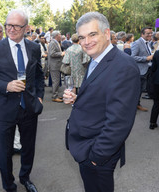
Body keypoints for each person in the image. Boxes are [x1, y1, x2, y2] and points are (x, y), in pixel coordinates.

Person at [63, 12, 140, 192]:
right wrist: (78, 99)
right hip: (87, 145)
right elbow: (102, 97)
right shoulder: (96, 58)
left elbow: (119, 122)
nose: (86, 41)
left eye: (92, 34)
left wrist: (96, 156)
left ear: (106, 34)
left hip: (97, 152)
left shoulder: (124, 66)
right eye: (82, 37)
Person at [0, 9, 44, 192]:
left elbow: (39, 74)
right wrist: (6, 86)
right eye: (8, 25)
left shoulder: (34, 48)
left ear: (26, 28)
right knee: (5, 152)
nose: (11, 29)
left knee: (28, 148)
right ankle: (9, 185)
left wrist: (40, 97)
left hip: (29, 108)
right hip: (5, 109)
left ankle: (25, 178)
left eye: (16, 26)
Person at [131, 27, 153, 109]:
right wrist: (146, 58)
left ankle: (137, 104)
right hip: (140, 70)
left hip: (147, 69)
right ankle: (134, 105)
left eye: (151, 33)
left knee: (141, 89)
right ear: (142, 34)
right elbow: (132, 57)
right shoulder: (137, 43)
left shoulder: (148, 43)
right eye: (148, 33)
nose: (150, 35)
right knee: (137, 89)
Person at [48, 30, 65, 102]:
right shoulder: (53, 43)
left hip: (56, 65)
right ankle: (54, 96)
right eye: (60, 34)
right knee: (56, 81)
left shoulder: (55, 42)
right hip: (54, 65)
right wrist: (61, 54)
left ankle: (56, 95)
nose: (61, 36)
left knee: (57, 81)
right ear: (57, 35)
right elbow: (52, 54)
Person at [149, 50, 159, 129]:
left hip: (157, 81)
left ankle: (152, 123)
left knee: (156, 103)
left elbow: (153, 68)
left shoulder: (157, 53)